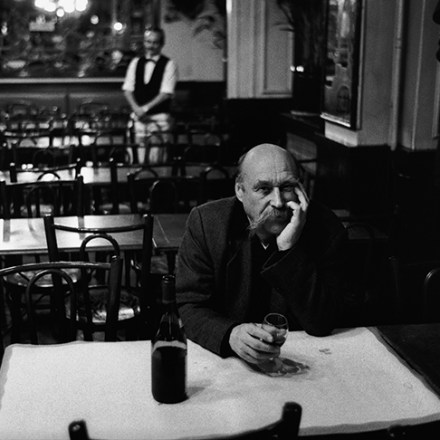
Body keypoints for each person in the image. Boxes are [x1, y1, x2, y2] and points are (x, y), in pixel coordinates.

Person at [176, 143, 355, 365]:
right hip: (228, 362)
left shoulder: (326, 228)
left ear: (301, 189)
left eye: (287, 186)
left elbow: (323, 321)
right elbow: (190, 306)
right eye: (263, 189)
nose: (278, 202)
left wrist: (288, 249)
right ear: (240, 190)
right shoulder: (207, 223)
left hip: (306, 358)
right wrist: (230, 334)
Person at [122, 27, 178, 164]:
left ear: (161, 44)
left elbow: (166, 93)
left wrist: (145, 109)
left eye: (155, 42)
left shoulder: (169, 64)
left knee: (157, 161)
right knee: (135, 159)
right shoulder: (135, 62)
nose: (151, 46)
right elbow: (127, 89)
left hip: (160, 119)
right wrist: (137, 109)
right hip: (138, 119)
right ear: (144, 42)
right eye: (148, 42)